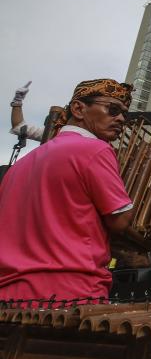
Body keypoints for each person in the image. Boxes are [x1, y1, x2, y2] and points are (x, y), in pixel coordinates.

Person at [0, 79, 134, 303]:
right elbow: (120, 221)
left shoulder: (20, 166)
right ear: (78, 109)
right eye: (113, 109)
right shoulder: (96, 150)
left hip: (8, 296)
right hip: (68, 295)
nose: (120, 118)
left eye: (124, 114)